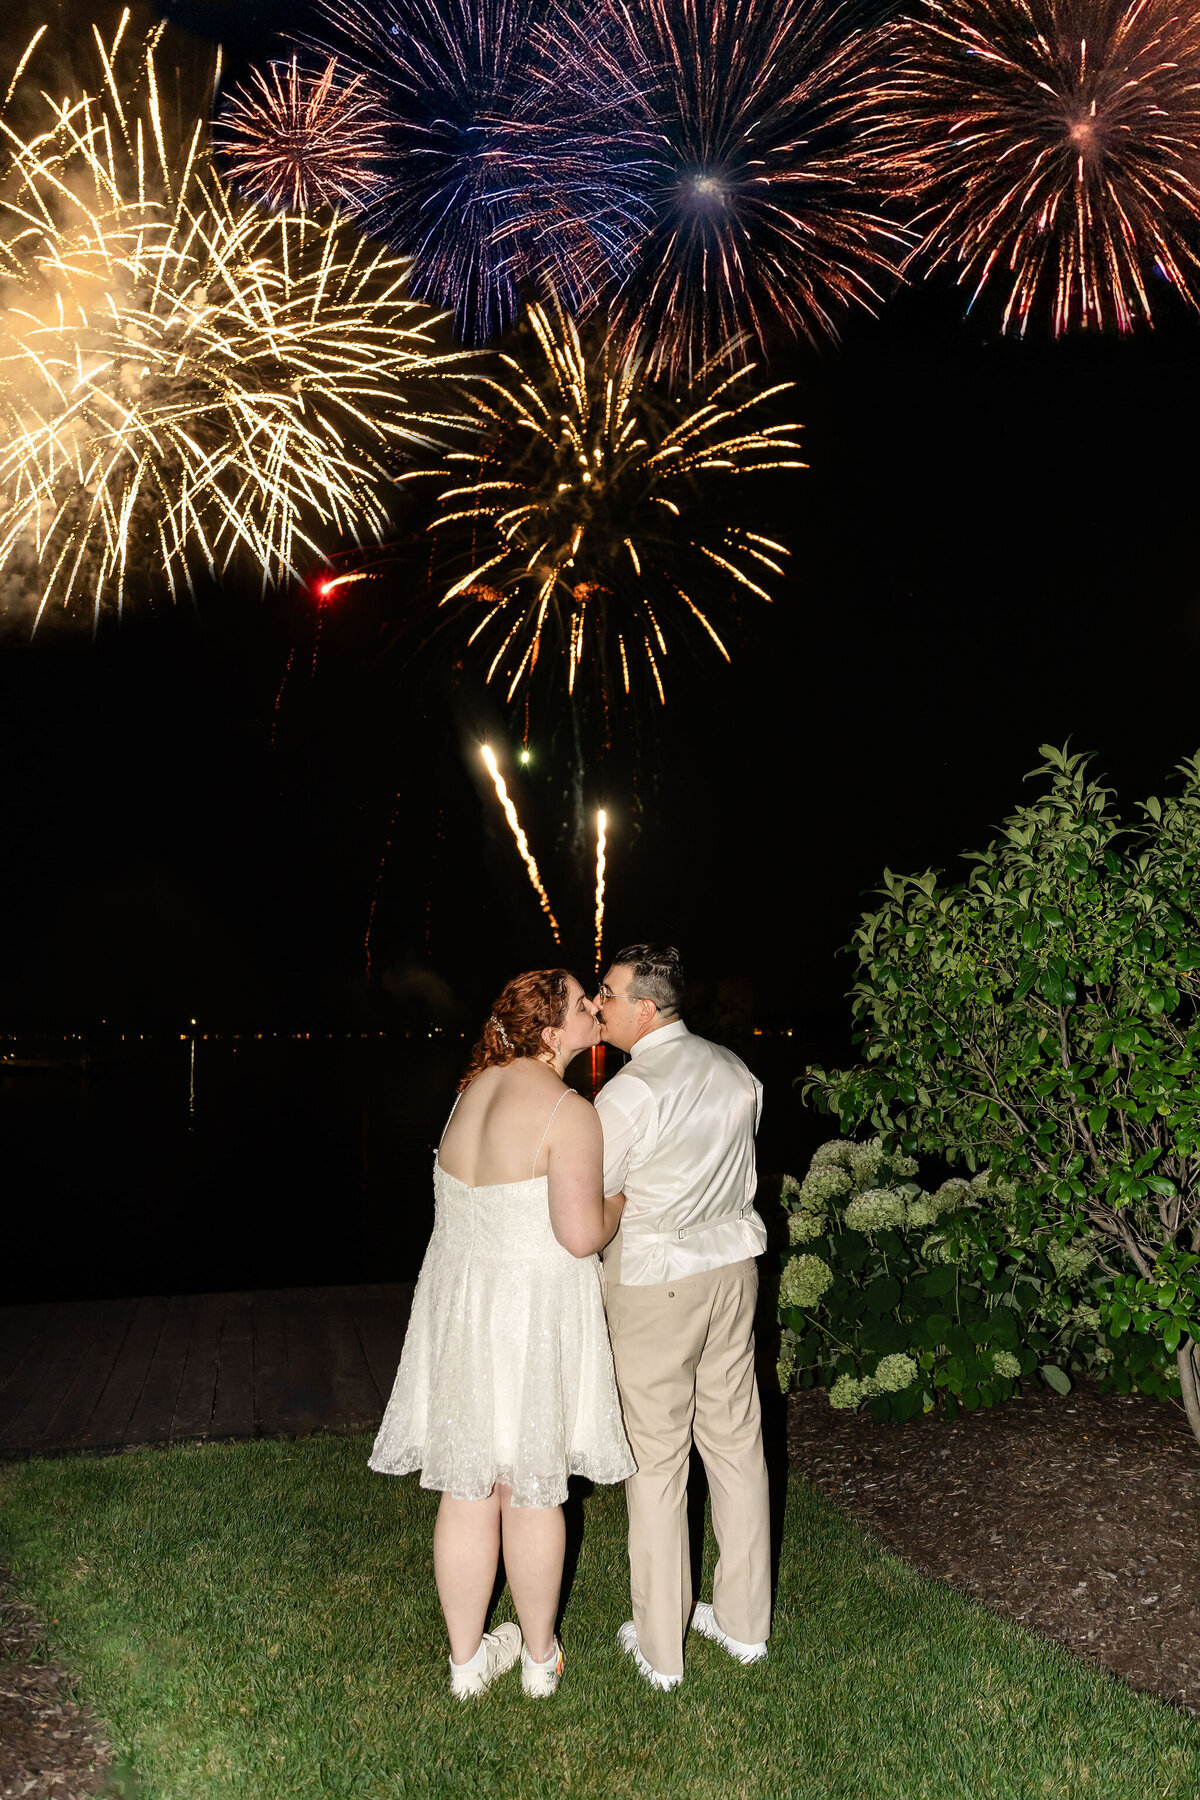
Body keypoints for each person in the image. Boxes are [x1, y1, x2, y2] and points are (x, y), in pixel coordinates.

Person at [369, 969, 634, 1699]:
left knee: (468, 1487)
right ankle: (539, 1661)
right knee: (531, 1489)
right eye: (586, 1004)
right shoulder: (568, 1110)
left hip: (459, 1310)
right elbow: (580, 1235)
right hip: (529, 1313)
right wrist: (618, 1202)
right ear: (552, 1035)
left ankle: (465, 1665)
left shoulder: (466, 1096)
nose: (597, 1009)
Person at [594, 943, 770, 1691]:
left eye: (605, 992)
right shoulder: (737, 1071)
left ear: (645, 1009)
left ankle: (662, 1650)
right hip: (733, 1271)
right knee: (735, 1443)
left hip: (658, 1283)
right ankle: (743, 1625)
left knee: (658, 1462)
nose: (596, 1003)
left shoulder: (629, 1094)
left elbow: (593, 1199)